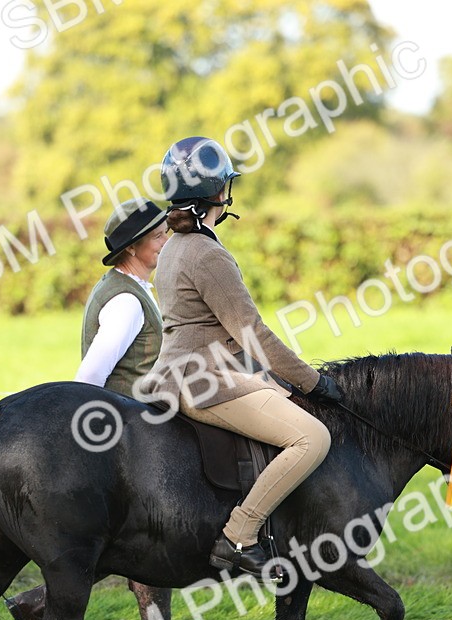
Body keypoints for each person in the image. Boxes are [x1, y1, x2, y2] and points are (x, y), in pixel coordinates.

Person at [5, 199, 210, 620]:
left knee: (141, 537)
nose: (166, 243)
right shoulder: (125, 302)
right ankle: (38, 604)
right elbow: (90, 377)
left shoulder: (130, 287)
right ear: (135, 247)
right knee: (138, 537)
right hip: (130, 436)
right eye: (159, 238)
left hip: (134, 431)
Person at [145, 136, 343, 578]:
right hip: (205, 381)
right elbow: (252, 333)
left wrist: (271, 380)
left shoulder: (173, 248)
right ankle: (240, 535)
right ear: (221, 193)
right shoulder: (207, 253)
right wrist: (313, 382)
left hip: (179, 373)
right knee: (312, 438)